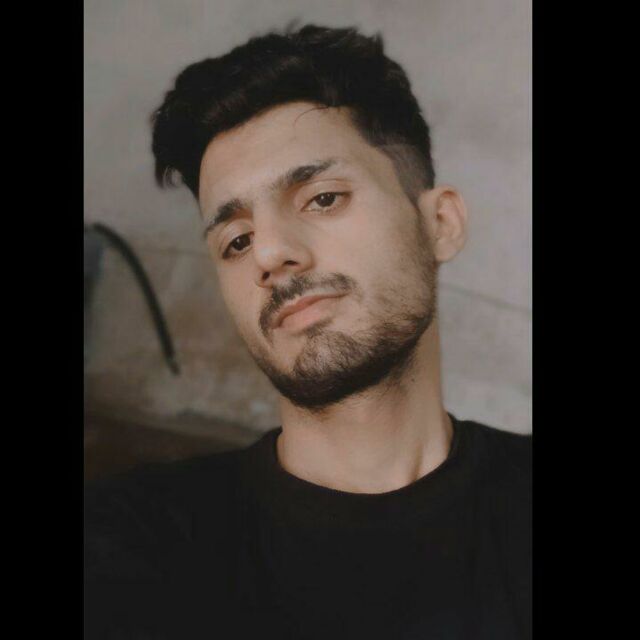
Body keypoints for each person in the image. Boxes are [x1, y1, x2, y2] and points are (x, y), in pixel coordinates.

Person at [84, 24, 531, 639]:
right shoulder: (129, 544)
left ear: (440, 224)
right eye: (236, 240)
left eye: (322, 199)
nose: (269, 253)